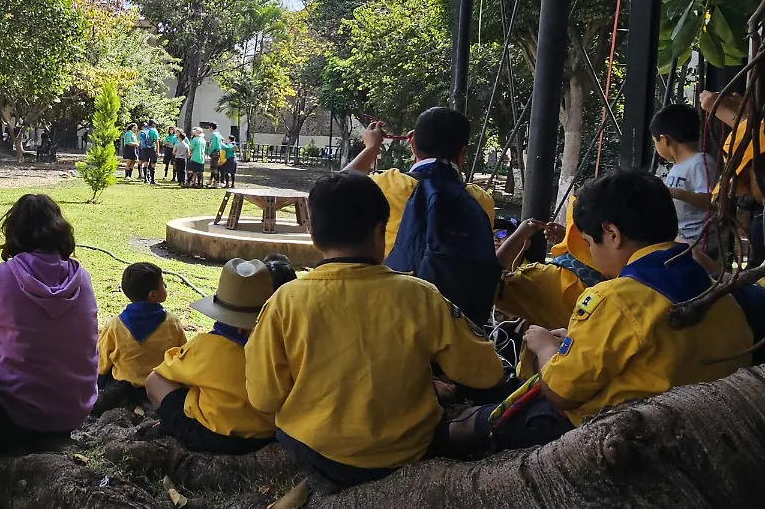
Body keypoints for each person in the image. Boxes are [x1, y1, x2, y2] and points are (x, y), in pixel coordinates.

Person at [462, 169, 753, 453]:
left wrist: (545, 347)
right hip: (708, 422)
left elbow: (561, 392)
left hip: (630, 437)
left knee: (473, 425)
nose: (591, 254)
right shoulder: (716, 285)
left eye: (589, 243)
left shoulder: (613, 297)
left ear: (611, 233)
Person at [245, 171, 504, 491]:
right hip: (407, 450)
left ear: (313, 236)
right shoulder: (421, 295)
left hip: (316, 451)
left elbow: (263, 397)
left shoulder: (284, 302)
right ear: (381, 231)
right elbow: (487, 373)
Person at [0, 194, 98, 454]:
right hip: (75, 409)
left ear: (14, 232)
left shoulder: (3, 277)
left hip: (19, 414)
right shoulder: (81, 277)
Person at [145, 259, 276, 454]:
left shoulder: (206, 346)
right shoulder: (280, 344)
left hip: (214, 438)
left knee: (154, 380)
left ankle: (171, 428)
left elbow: (168, 369)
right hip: (269, 434)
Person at [344, 108, 495, 257]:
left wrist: (371, 148)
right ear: (462, 152)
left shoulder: (382, 185)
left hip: (393, 280)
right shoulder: (480, 201)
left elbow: (333, 190)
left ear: (413, 145)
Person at [94, 262, 188, 415]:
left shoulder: (115, 324)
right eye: (163, 284)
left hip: (123, 386)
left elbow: (102, 364)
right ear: (153, 295)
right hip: (159, 385)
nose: (165, 286)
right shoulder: (173, 323)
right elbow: (182, 356)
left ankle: (128, 404)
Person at [651, 104, 716, 246]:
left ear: (664, 139)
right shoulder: (677, 166)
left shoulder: (700, 162)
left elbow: (711, 202)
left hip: (699, 242)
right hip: (682, 238)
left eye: (655, 143)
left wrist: (675, 193)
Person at [140, 120, 160, 184]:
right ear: (153, 124)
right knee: (153, 163)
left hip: (144, 148)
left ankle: (146, 179)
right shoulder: (154, 130)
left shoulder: (144, 130)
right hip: (151, 148)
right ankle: (152, 179)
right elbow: (156, 141)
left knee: (145, 162)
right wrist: (157, 151)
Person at [205, 123, 223, 188]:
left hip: (214, 152)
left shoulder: (214, 135)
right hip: (218, 152)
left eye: (209, 127)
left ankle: (216, 183)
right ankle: (213, 182)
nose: (209, 129)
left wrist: (210, 152)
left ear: (211, 127)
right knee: (215, 168)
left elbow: (213, 145)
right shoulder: (219, 134)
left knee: (214, 168)